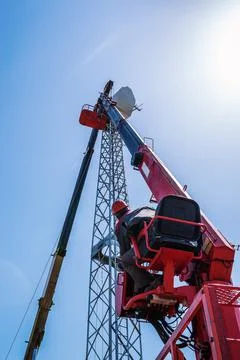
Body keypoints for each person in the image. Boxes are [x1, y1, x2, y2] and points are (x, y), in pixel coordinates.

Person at [112, 199, 162, 294]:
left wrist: (122, 263)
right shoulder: (142, 210)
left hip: (152, 242)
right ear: (127, 208)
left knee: (125, 260)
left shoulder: (121, 223)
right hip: (170, 238)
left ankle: (148, 283)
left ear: (117, 215)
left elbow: (124, 248)